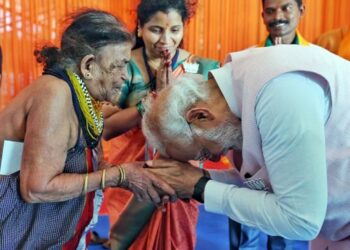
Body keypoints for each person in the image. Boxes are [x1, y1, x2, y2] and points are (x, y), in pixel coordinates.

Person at [142, 44, 350, 250]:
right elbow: (268, 181)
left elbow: (300, 220)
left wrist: (200, 187)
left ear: (200, 116)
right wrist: (198, 179)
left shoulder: (279, 94)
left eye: (204, 153)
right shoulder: (237, 91)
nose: (214, 159)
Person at [0, 9, 175, 249]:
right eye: (120, 65)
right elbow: (36, 188)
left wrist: (130, 175)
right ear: (89, 66)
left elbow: (76, 157)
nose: (125, 77)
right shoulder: (55, 93)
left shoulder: (78, 95)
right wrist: (119, 175)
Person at [101, 1, 220, 249]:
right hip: (132, 176)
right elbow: (108, 128)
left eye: (175, 30)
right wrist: (155, 100)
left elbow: (213, 130)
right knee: (125, 241)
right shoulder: (123, 67)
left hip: (180, 177)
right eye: (156, 30)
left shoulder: (201, 69)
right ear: (140, 28)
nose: (166, 39)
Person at [229, 0, 309, 249]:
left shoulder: (315, 59)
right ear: (262, 15)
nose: (278, 16)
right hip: (253, 159)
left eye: (286, 8)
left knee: (283, 231)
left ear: (301, 10)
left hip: (292, 161)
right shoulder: (245, 59)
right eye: (271, 10)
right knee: (246, 231)